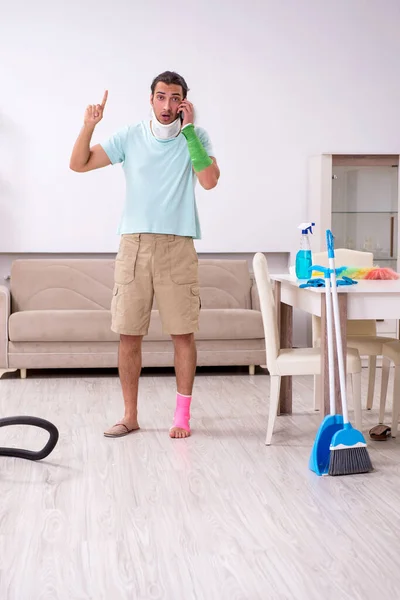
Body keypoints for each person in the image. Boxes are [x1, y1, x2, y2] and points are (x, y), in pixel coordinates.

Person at [69, 71, 220, 439]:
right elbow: (80, 163)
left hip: (177, 245)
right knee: (128, 334)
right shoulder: (131, 136)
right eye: (161, 96)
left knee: (182, 335)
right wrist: (89, 125)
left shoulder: (195, 137)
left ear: (185, 102)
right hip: (134, 245)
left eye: (175, 98)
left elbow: (209, 180)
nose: (167, 105)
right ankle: (130, 415)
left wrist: (188, 132)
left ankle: (181, 417)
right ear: (151, 99)